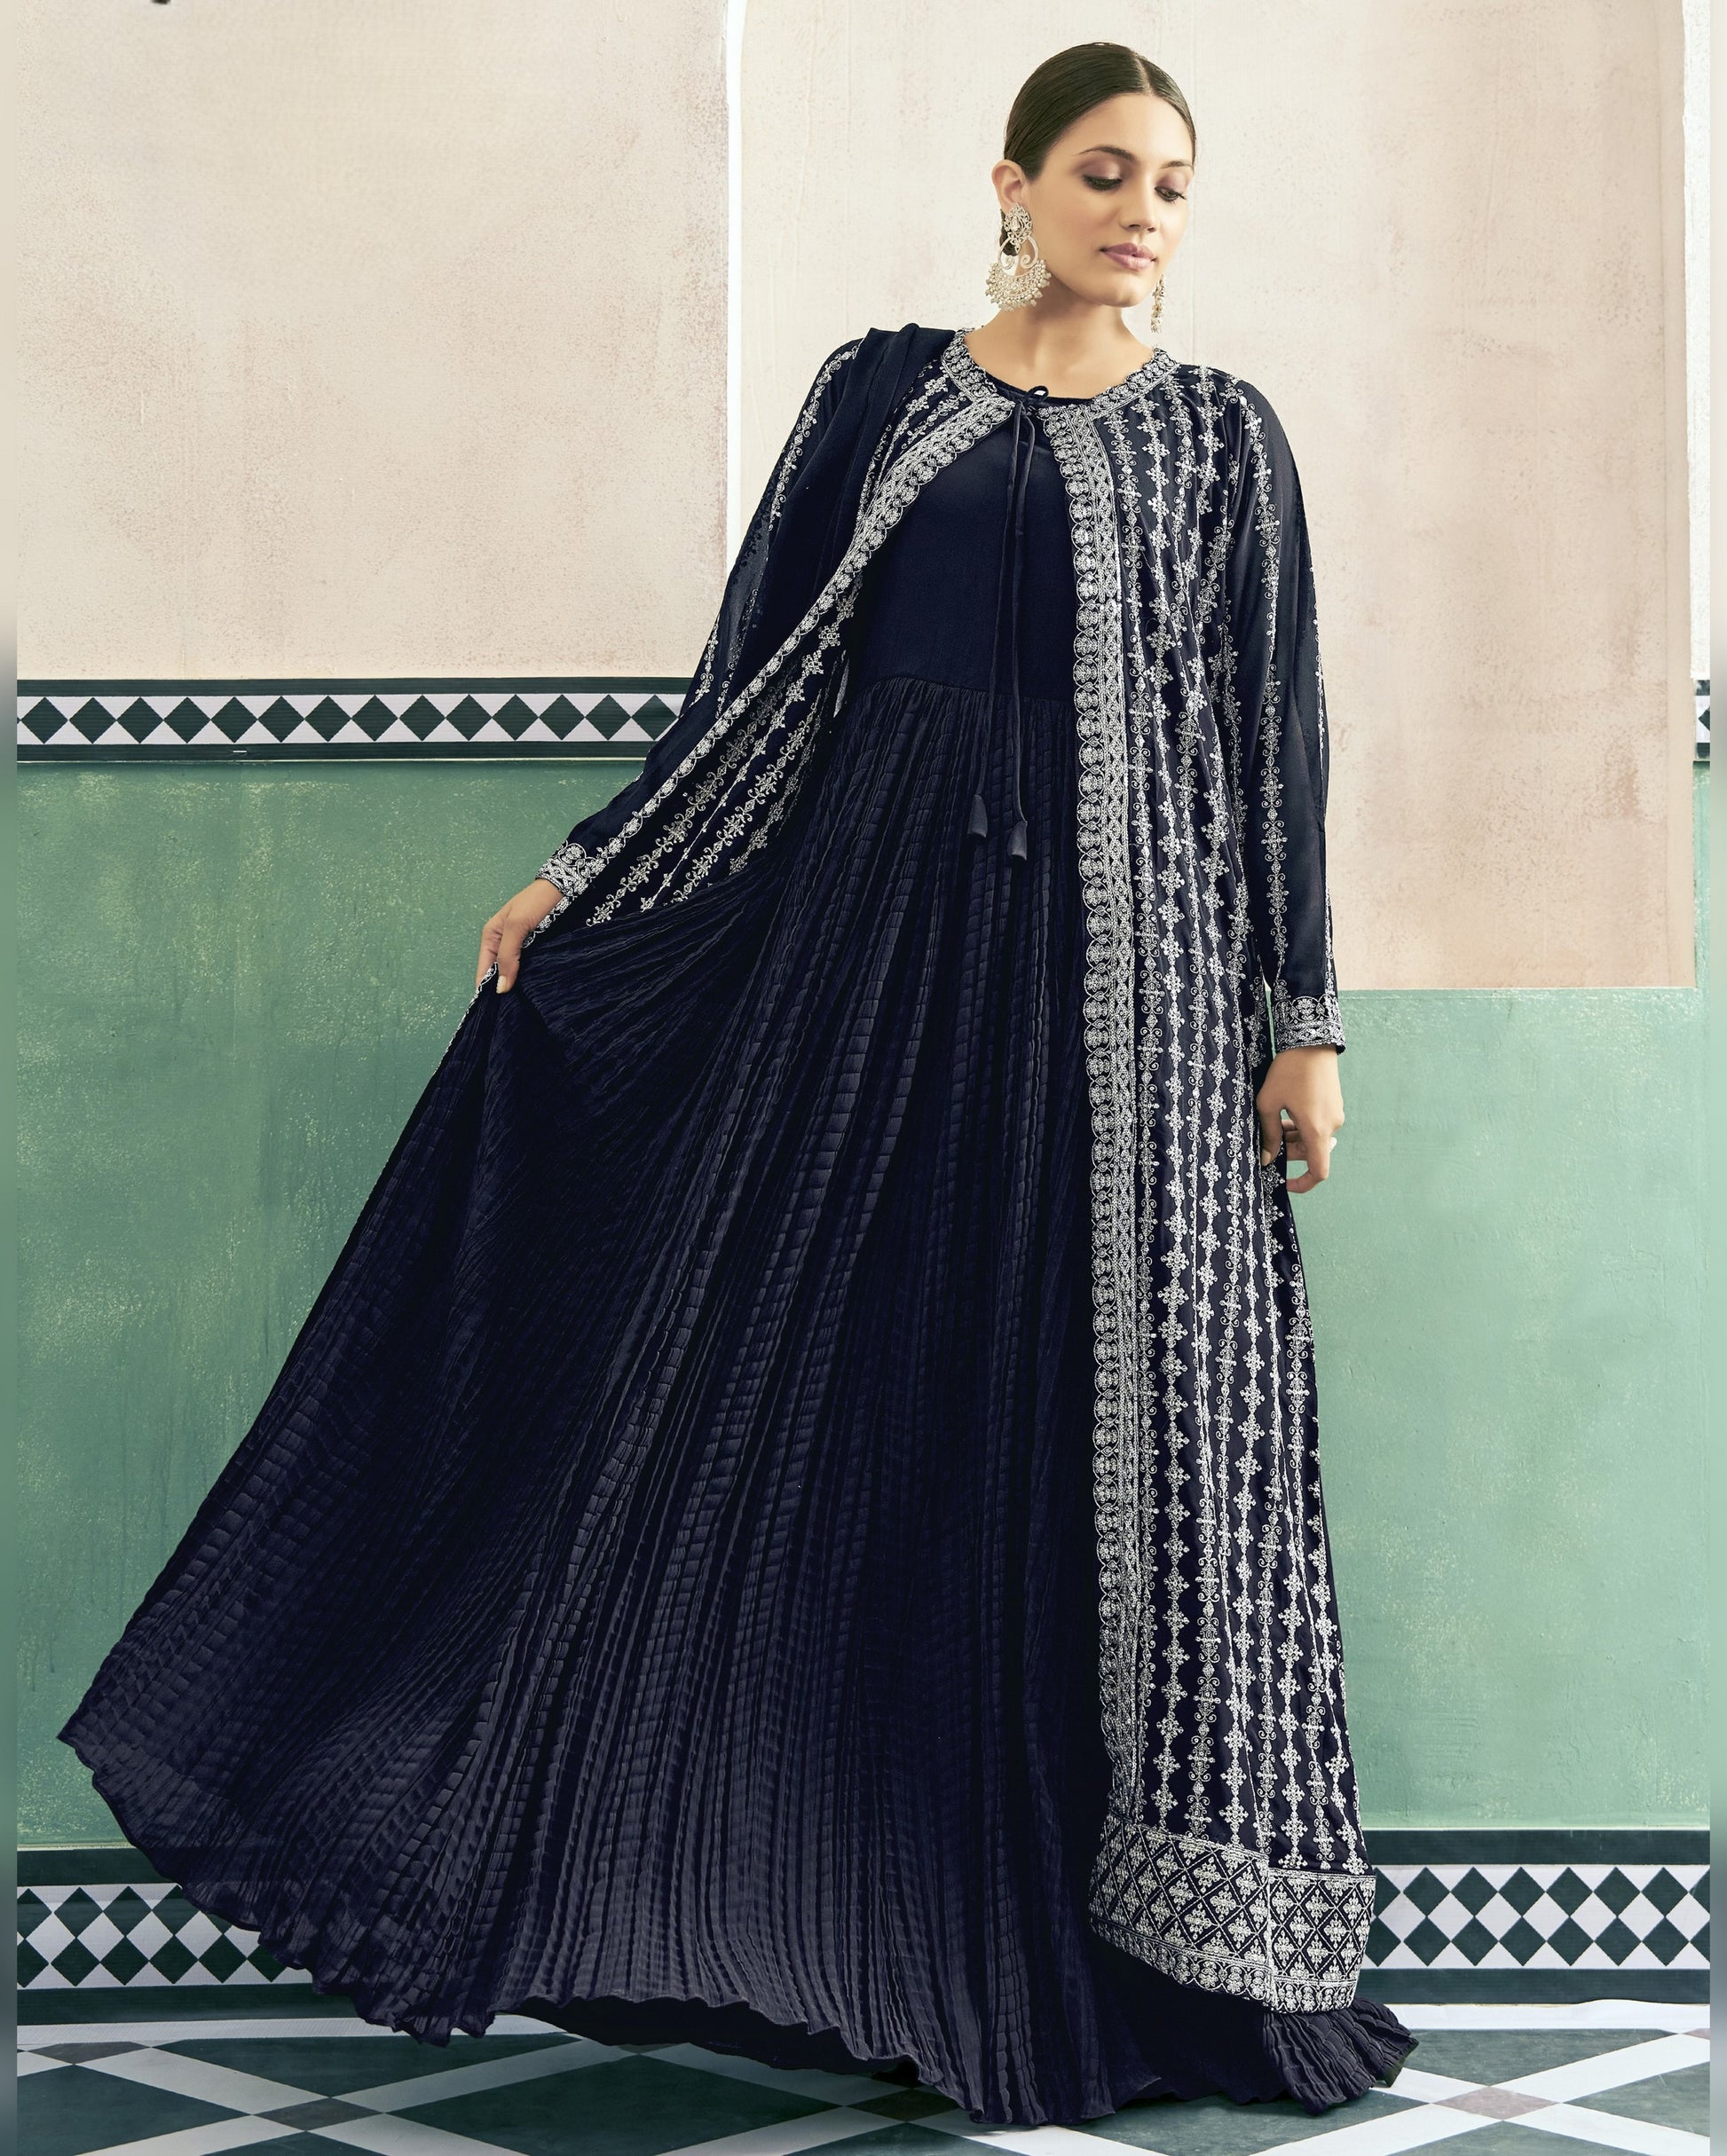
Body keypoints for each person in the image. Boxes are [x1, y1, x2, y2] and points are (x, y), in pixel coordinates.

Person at [59, 40, 1417, 2130]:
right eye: (1101, 172)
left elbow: (1269, 737)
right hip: (864, 985)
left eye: (1170, 183)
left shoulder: (1228, 441)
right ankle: (837, 1938)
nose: (1139, 211)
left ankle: (1078, 1956)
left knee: (1074, 1443)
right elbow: (756, 682)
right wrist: (585, 871)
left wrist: (1297, 1017)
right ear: (1013, 184)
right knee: (834, 1431)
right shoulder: (881, 392)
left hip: (1125, 1022)